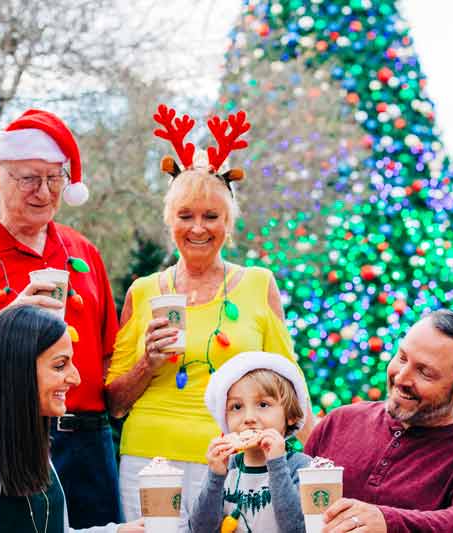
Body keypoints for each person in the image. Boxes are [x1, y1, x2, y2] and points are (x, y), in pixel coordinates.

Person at [105, 105, 313, 528]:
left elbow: (288, 380)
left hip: (232, 457)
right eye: (185, 216)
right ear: (171, 222)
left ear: (228, 222)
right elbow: (113, 403)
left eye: (211, 216)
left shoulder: (258, 284)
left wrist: (312, 452)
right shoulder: (143, 291)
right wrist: (148, 362)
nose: (198, 228)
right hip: (149, 456)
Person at [0, 109, 122, 528]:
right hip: (3, 440)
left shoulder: (85, 253)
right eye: (29, 178)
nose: (44, 192)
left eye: (55, 179)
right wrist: (5, 320)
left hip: (88, 442)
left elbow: (108, 364)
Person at [0, 305, 143, 533]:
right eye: (60, 365)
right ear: (18, 370)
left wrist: (118, 532)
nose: (75, 378)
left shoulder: (29, 440)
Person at [305, 309, 453, 533]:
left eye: (425, 372)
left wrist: (388, 523)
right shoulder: (341, 421)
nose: (401, 377)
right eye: (402, 358)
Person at [190, 351, 311, 533]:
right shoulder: (225, 469)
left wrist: (277, 464)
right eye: (236, 407)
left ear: (291, 415)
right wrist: (215, 477)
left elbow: (296, 529)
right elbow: (200, 530)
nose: (249, 418)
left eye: (263, 405)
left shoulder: (301, 467)